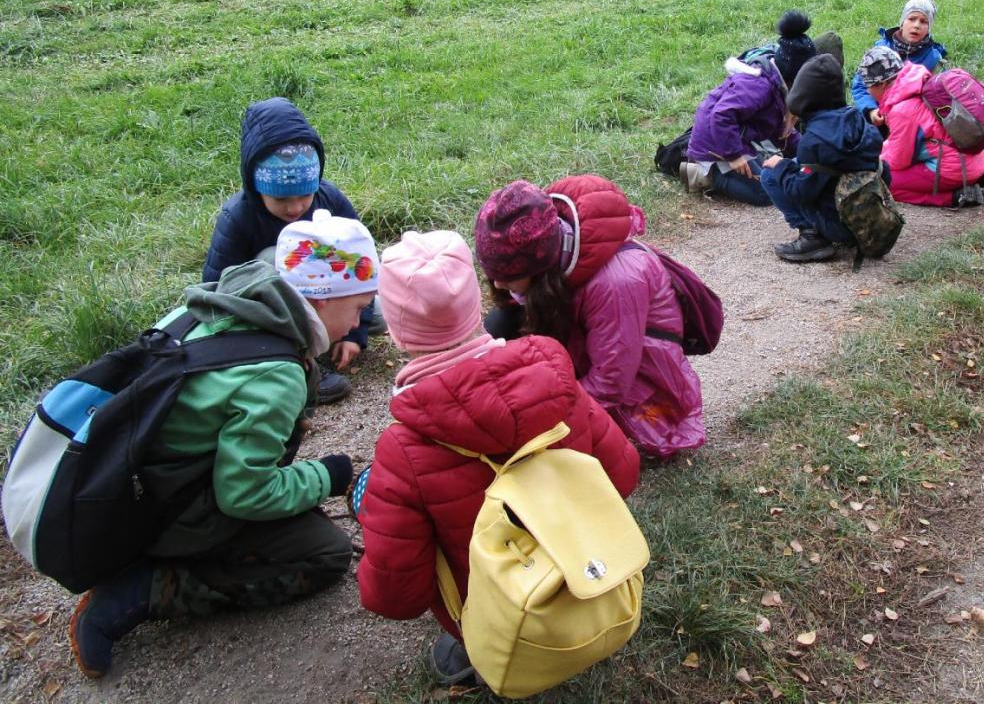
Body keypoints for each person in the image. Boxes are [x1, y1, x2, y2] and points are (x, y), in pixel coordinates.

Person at [68, 209, 379, 678]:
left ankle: (157, 552)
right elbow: (244, 494)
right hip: (163, 511)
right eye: (357, 309)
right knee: (326, 554)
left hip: (128, 491)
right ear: (320, 300)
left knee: (284, 507)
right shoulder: (276, 374)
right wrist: (327, 476)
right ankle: (149, 587)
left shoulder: (226, 306)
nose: (360, 322)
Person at [353, 229, 639, 685]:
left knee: (372, 497)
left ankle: (473, 647)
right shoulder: (553, 376)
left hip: (501, 615)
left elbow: (395, 596)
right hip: (589, 574)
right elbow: (622, 473)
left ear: (396, 333)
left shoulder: (403, 449)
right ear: (476, 308)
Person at [475, 176, 706, 459]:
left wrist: (540, 423)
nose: (497, 285)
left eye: (508, 277)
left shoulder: (616, 284)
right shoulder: (554, 253)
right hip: (587, 340)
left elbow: (610, 381)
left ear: (540, 268)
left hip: (638, 381)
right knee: (497, 329)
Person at [202, 97, 380, 404]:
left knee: (376, 317)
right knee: (273, 259)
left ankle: (336, 337)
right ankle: (299, 364)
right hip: (275, 312)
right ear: (257, 187)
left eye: (304, 196)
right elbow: (218, 287)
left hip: (328, 301)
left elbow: (360, 267)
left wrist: (354, 335)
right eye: (281, 199)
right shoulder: (238, 217)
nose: (295, 207)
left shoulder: (330, 201)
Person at [760, 50, 886, 263]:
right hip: (871, 218)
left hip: (843, 227)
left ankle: (813, 236)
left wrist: (780, 165)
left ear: (803, 95)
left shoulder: (815, 139)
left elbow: (800, 191)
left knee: (770, 174)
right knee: (807, 166)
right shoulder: (858, 119)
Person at [864, 47, 984, 208]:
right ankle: (979, 176)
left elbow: (898, 161)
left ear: (882, 83)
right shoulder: (915, 82)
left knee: (882, 182)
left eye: (869, 85)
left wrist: (872, 161)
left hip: (954, 169)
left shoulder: (902, 109)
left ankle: (954, 196)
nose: (868, 91)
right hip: (973, 158)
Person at [684, 46, 798, 205]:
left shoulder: (776, 84)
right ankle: (709, 176)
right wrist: (734, 156)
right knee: (767, 194)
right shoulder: (761, 86)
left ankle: (726, 170)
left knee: (770, 177)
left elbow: (779, 128)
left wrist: (807, 151)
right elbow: (721, 115)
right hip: (714, 144)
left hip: (733, 138)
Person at [850, 0, 947, 121]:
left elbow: (939, 97)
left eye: (923, 21)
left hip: (912, 120)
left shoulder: (933, 60)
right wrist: (870, 109)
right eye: (912, 19)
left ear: (929, 28)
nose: (916, 25)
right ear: (902, 22)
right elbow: (860, 85)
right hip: (878, 115)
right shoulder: (881, 50)